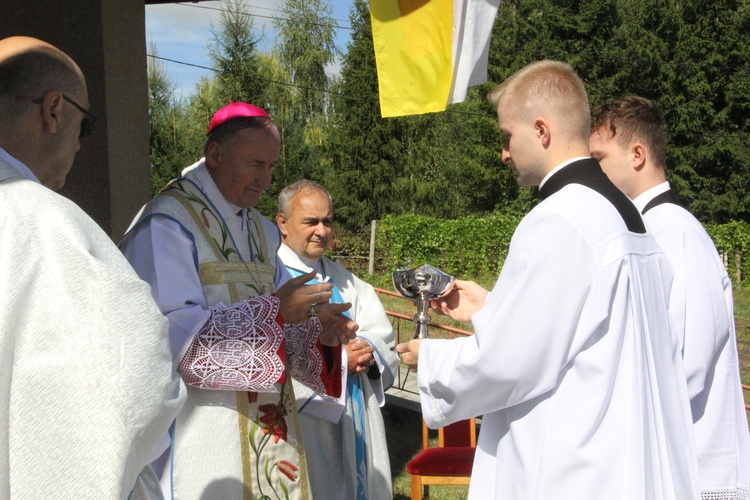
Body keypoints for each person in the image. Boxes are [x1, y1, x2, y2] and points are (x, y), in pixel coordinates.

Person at [397, 60, 701, 499]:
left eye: (507, 136)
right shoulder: (628, 217)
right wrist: (495, 307)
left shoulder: (558, 219)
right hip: (626, 462)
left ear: (541, 130)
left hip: (574, 470)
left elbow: (508, 363)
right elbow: (589, 333)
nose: (503, 152)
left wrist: (430, 359)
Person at [119, 102, 358, 499]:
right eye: (255, 165)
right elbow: (165, 340)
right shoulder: (167, 224)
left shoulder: (262, 232)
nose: (266, 181)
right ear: (215, 155)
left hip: (268, 429)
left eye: (271, 167)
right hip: (201, 433)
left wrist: (320, 333)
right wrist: (276, 313)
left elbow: (284, 320)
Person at [0, 36, 185, 498]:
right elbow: (136, 389)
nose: (82, 146)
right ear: (54, 111)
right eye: (86, 126)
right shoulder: (45, 223)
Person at [590, 95, 750, 499]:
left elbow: (687, 365)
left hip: (697, 469)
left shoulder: (675, 233)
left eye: (599, 159)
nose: (593, 173)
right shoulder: (649, 229)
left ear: (637, 154)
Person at [275, 180, 400, 500]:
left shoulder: (348, 281)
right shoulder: (270, 278)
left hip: (355, 411)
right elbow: (267, 343)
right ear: (283, 223)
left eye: (327, 221)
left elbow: (381, 331)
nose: (321, 230)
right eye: (310, 221)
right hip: (304, 421)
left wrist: (369, 349)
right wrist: (335, 359)